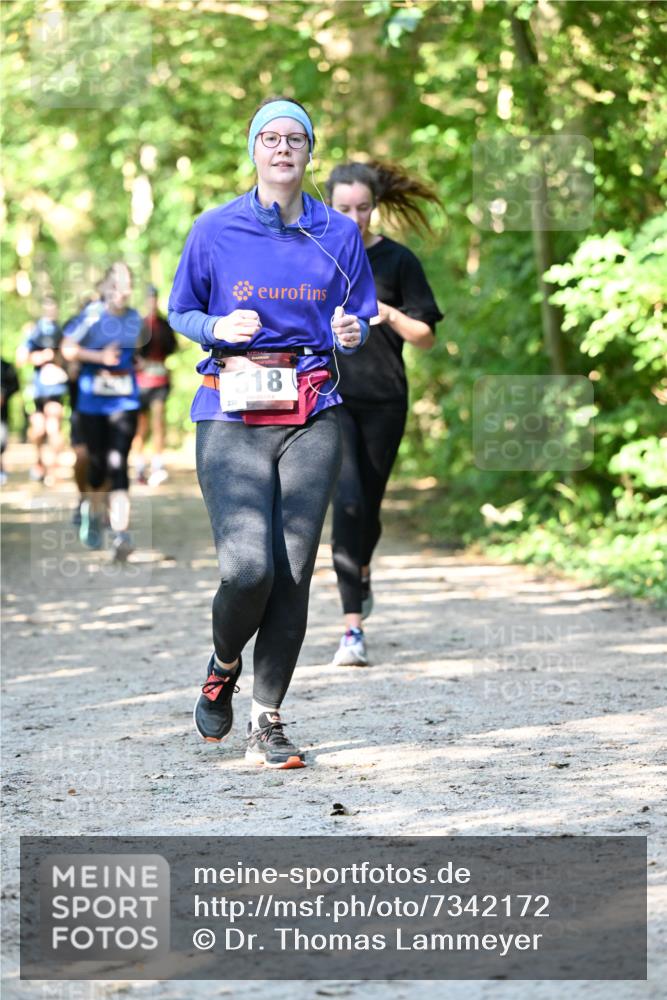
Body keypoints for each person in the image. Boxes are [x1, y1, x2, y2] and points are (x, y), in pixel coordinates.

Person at [168, 96, 377, 769]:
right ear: (253, 148)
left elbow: (360, 311)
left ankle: (268, 721)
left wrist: (351, 328)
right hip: (229, 412)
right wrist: (216, 328)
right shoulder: (215, 228)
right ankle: (223, 663)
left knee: (291, 572)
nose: (282, 148)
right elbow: (181, 309)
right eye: (270, 137)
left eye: (295, 138)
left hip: (311, 410)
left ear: (309, 153)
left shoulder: (336, 231)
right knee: (247, 567)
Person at [325, 161, 443, 667]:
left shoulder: (398, 260)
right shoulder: (316, 256)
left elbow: (427, 335)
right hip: (330, 398)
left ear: (375, 206)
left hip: (385, 400)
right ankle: (352, 629)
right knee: (347, 503)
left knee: (368, 509)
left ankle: (363, 568)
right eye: (344, 209)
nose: (355, 219)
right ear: (326, 205)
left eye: (363, 208)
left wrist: (390, 314)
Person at [61, 263, 142, 561]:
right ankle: (92, 509)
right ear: (105, 288)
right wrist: (99, 357)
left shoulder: (135, 319)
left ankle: (121, 533)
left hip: (125, 401)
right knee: (96, 466)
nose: (122, 291)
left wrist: (134, 363)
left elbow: (131, 353)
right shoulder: (92, 315)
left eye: (127, 284)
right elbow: (67, 348)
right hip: (92, 403)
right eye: (116, 285)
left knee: (118, 461)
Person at [16, 296, 68, 485]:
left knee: (54, 427)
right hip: (38, 388)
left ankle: (53, 470)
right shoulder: (34, 331)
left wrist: (59, 359)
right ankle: (39, 462)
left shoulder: (62, 332)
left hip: (57, 387)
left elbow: (70, 356)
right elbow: (20, 358)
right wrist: (39, 357)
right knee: (38, 429)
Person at [134, 284, 177, 486]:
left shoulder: (163, 324)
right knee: (142, 426)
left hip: (160, 379)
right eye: (149, 298)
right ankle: (140, 464)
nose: (152, 301)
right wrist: (139, 363)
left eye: (154, 298)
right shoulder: (138, 325)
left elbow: (172, 347)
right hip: (142, 381)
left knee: (159, 420)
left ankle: (158, 464)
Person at [0, 358, 20, 485]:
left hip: (2, 415)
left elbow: (15, 386)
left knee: (1, 442)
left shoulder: (6, 366)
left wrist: (4, 395)